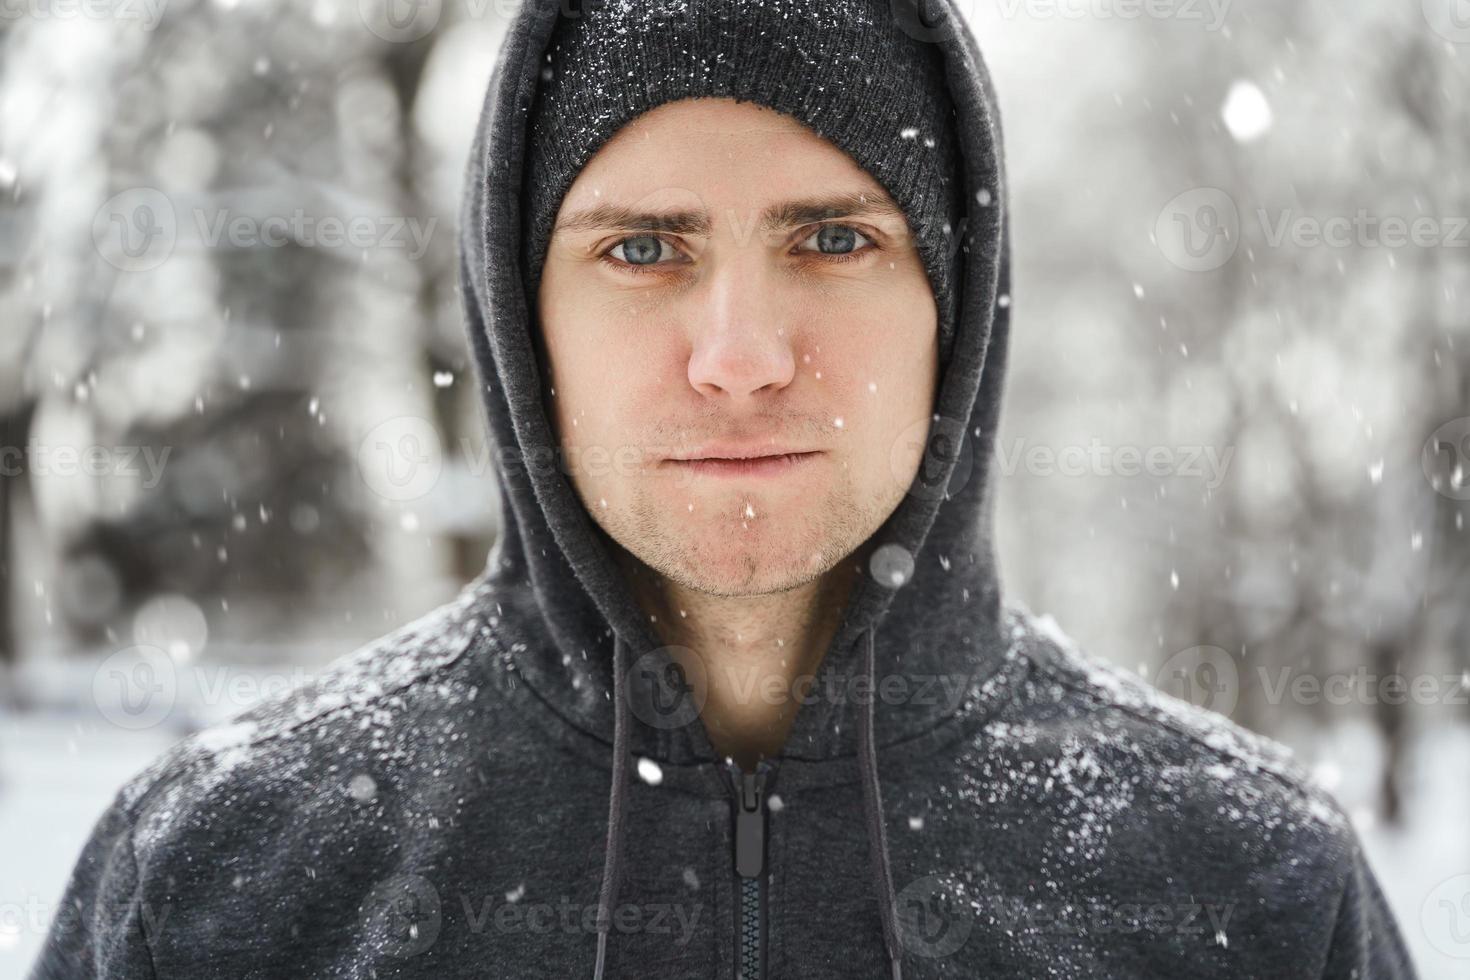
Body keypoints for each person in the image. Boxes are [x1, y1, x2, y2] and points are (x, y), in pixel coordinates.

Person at [32, 0, 1416, 977]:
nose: (741, 356)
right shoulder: (224, 883)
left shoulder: (1240, 888)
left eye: (830, 236)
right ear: (525, 323)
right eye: (641, 250)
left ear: (955, 306)